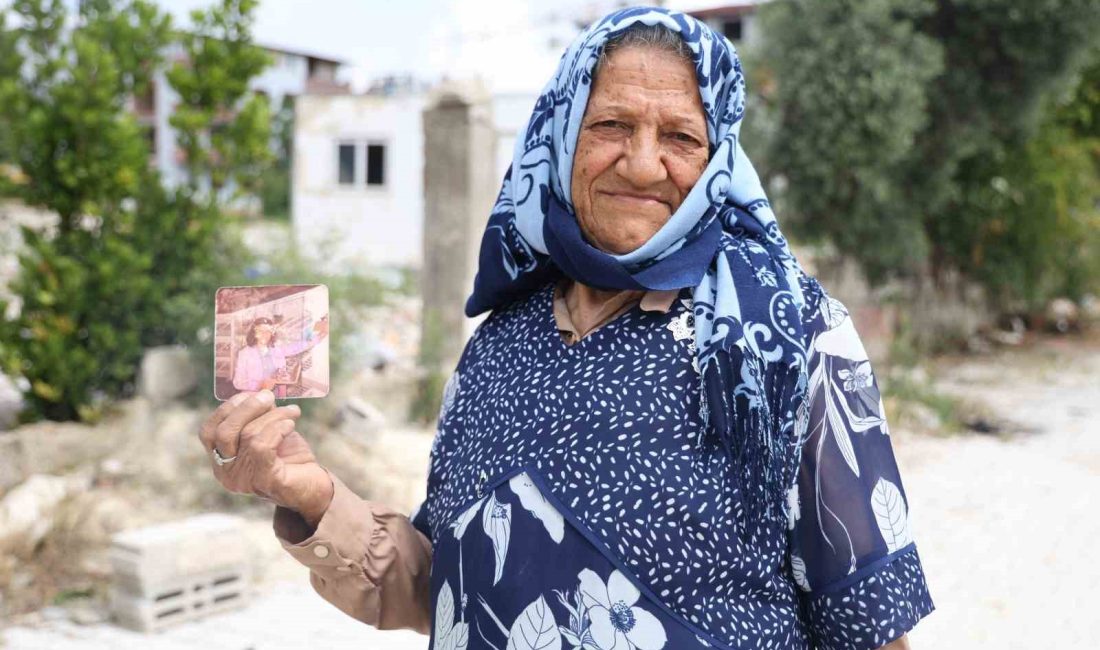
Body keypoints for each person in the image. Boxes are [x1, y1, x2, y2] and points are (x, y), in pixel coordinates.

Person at [199, 8, 933, 649]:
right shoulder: (501, 343)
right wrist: (311, 495)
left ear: (717, 161)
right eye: (612, 124)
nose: (644, 164)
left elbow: (869, 622)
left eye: (680, 135)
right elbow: (443, 592)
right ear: (560, 134)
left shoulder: (786, 332)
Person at [231, 315, 328, 399]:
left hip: (277, 396)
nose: (264, 335)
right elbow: (238, 382)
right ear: (254, 333)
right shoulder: (244, 353)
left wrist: (320, 336)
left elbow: (298, 346)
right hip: (254, 398)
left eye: (268, 331)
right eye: (260, 331)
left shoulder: (277, 350)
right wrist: (260, 384)